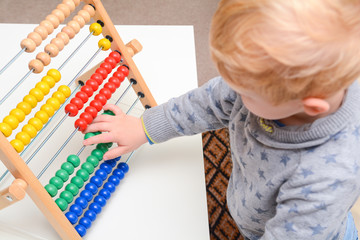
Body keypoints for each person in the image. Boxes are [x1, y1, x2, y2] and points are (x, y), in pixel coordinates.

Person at [84, 0, 360, 239]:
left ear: (308, 106)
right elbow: (210, 100)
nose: (230, 91)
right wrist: (143, 128)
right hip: (257, 203)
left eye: (243, 91)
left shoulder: (324, 183)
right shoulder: (276, 91)